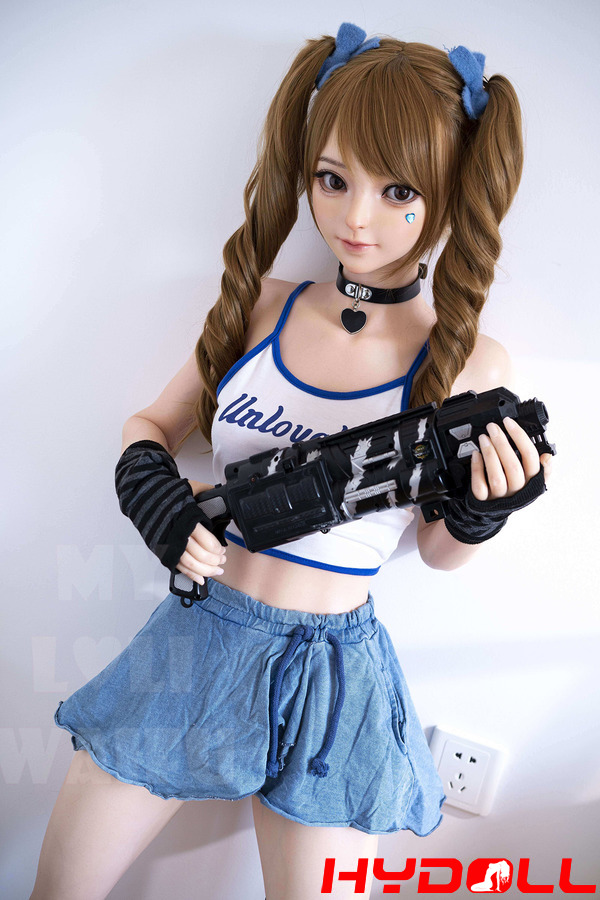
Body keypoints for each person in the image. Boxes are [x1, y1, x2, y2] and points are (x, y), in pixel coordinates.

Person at [30, 23, 552, 900]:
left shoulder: (467, 362)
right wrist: (153, 495)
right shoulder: (261, 307)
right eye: (333, 179)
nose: (355, 218)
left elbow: (437, 553)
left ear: (450, 192)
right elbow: (152, 423)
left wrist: (481, 511)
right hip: (200, 636)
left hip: (336, 674)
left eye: (398, 191)